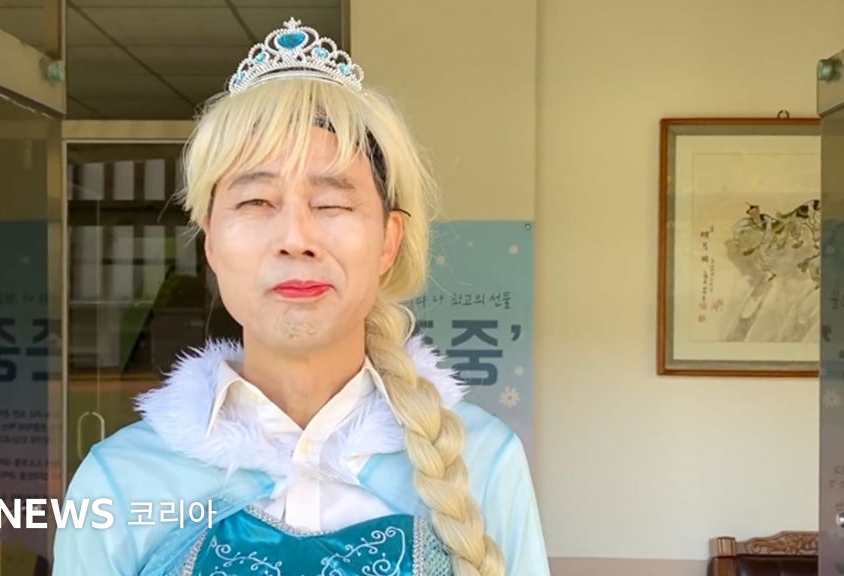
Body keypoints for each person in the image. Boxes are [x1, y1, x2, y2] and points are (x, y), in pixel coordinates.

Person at [53, 18, 550, 576]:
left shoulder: (483, 462)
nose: (295, 238)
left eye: (332, 204)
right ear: (210, 240)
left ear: (388, 241)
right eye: (256, 202)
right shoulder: (121, 481)